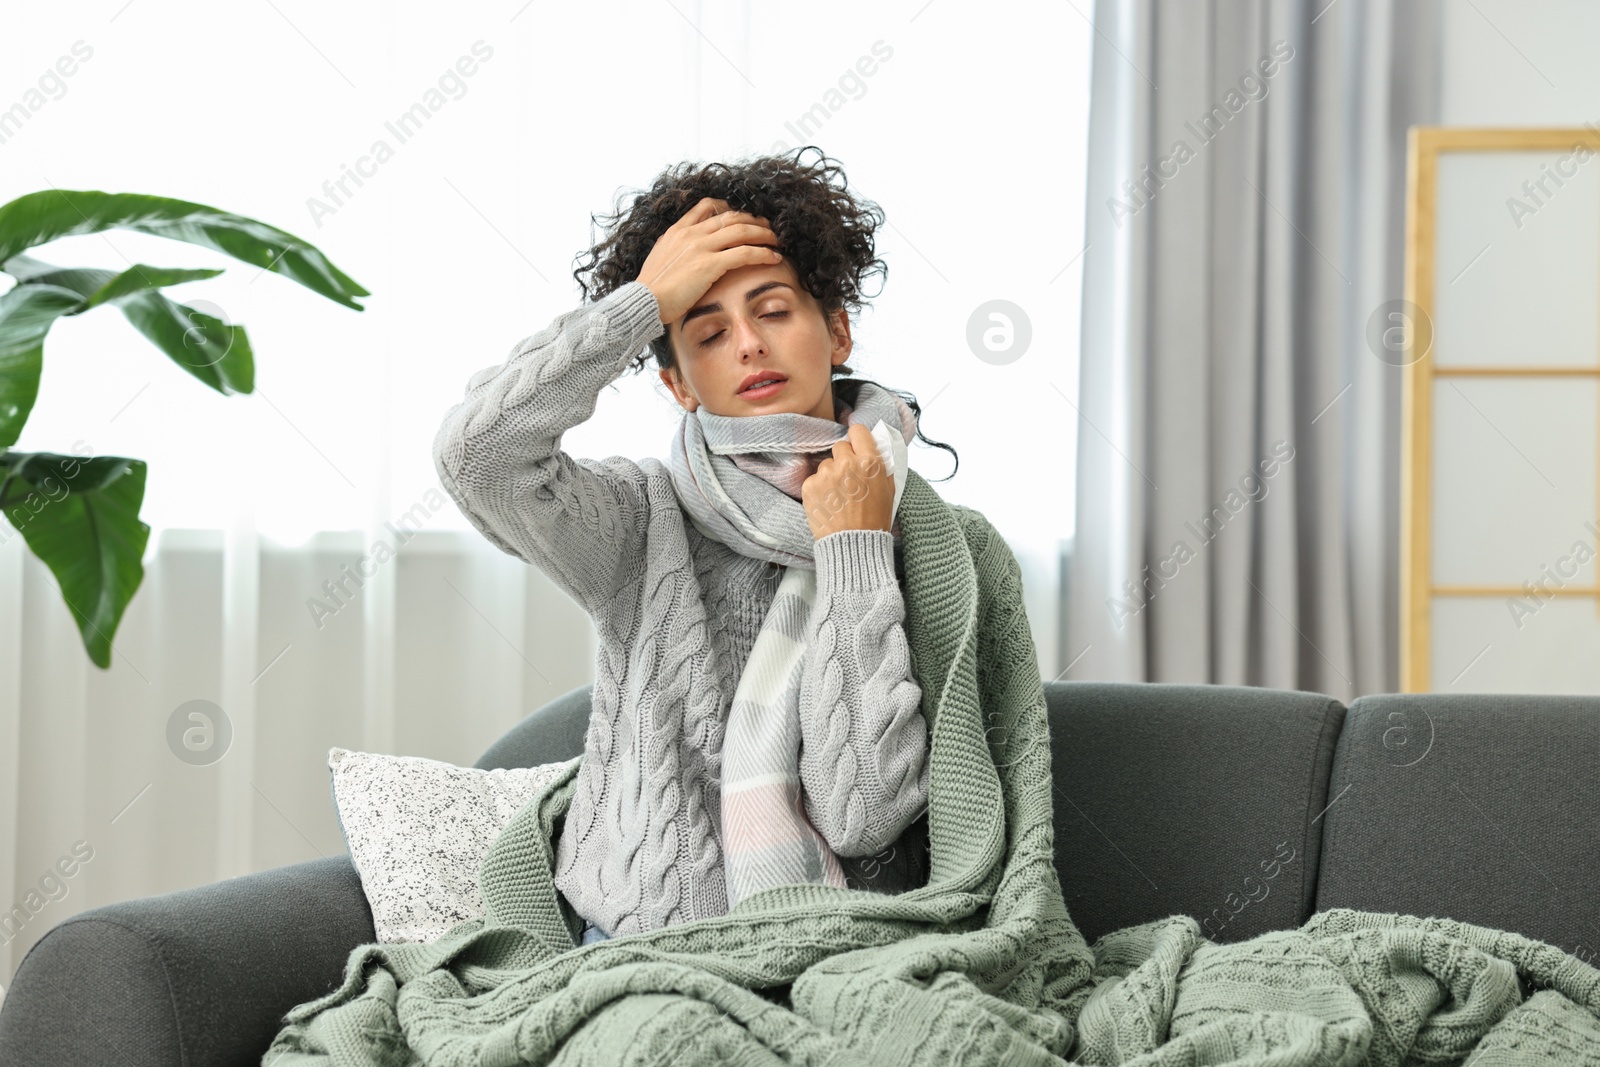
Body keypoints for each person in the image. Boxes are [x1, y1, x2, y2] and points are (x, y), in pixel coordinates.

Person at [433, 147, 960, 946]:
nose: (748, 344)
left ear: (837, 330)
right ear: (679, 384)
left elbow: (863, 815)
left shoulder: (919, 538)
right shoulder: (639, 522)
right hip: (637, 940)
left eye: (775, 310)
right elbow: (477, 456)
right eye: (708, 332)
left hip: (831, 947)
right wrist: (642, 304)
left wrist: (853, 544)